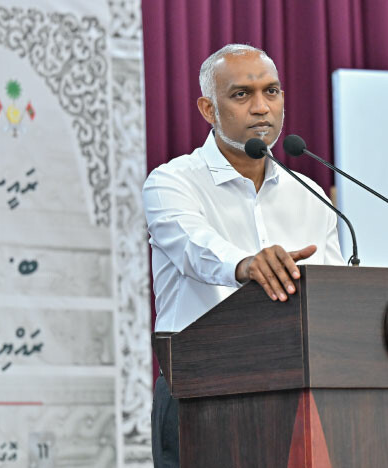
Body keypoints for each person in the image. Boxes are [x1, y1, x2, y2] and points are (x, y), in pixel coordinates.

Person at [142, 43, 344, 468]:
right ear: (208, 109)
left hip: (297, 396)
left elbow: (335, 294)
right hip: (200, 393)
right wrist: (245, 264)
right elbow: (193, 246)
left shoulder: (310, 194)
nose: (261, 108)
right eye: (241, 95)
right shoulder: (172, 182)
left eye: (271, 92)